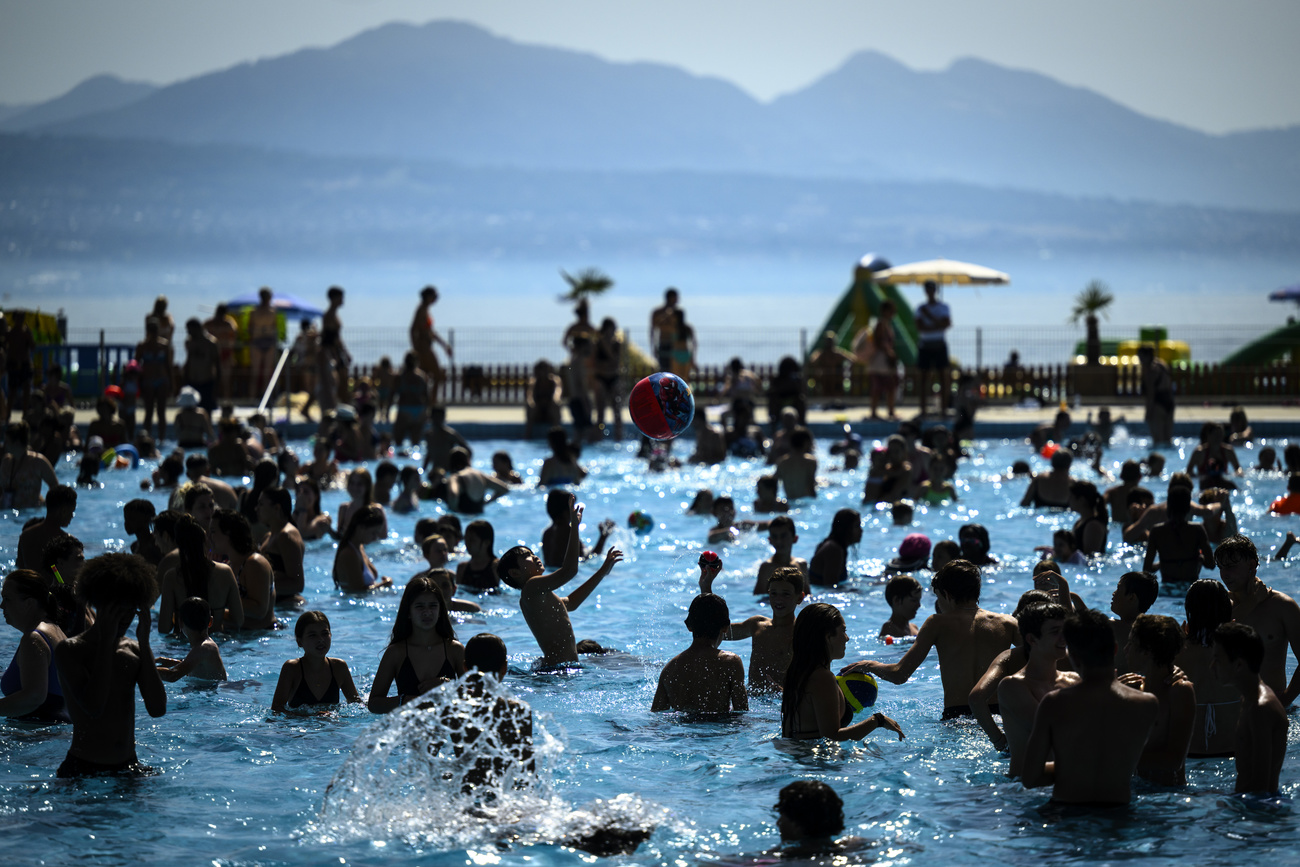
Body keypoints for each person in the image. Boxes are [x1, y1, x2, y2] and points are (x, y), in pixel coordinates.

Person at [843, 560, 1017, 718]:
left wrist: (870, 665)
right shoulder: (1007, 623)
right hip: (1001, 716)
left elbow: (899, 674)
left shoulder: (937, 623)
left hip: (957, 716)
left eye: (938, 597)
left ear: (947, 595)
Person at [1021, 608, 1159, 805]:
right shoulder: (1147, 704)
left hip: (1068, 812)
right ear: (1115, 650)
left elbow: (1030, 778)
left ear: (1074, 658)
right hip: (1119, 815)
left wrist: (1073, 767)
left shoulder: (1054, 703)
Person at [53, 553, 167, 777]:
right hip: (84, 768)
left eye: (130, 610)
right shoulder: (71, 650)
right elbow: (93, 707)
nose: (124, 618)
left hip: (129, 765)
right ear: (99, 604)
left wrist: (145, 644)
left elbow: (157, 709)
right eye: (118, 609)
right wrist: (106, 643)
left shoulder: (133, 650)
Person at [497, 495, 622, 667]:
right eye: (527, 556)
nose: (534, 557)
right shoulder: (531, 588)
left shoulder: (538, 594)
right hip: (556, 671)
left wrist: (601, 572)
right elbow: (569, 571)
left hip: (560, 669)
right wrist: (574, 527)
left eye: (533, 553)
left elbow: (571, 603)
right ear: (514, 572)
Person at [781, 602, 905, 741]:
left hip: (799, 756)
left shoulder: (797, 672)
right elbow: (832, 737)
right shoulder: (822, 678)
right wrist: (878, 720)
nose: (847, 638)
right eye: (843, 631)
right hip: (814, 759)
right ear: (828, 637)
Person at [1214, 534, 1300, 707]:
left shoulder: (1283, 607)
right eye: (1221, 567)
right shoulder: (1220, 606)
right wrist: (1251, 603)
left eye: (1230, 566)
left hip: (1269, 706)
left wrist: (1284, 701)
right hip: (1228, 709)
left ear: (1252, 565)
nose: (1225, 574)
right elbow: (1207, 647)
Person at [996, 602, 1078, 777]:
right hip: (1025, 788)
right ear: (1032, 639)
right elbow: (1052, 733)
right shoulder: (1012, 686)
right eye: (1055, 632)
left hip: (1068, 779)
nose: (1064, 638)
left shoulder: (1074, 680)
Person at [367, 576, 465, 712]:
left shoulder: (454, 650)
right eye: (420, 606)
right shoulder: (396, 653)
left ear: (440, 611)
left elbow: (478, 696)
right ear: (408, 612)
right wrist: (405, 701)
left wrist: (446, 684)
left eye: (433, 606)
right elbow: (373, 704)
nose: (427, 612)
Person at [1120, 614, 1195, 786]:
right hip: (1137, 789)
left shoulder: (1179, 691)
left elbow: (1174, 760)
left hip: (1168, 797)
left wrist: (1116, 756)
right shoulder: (1132, 687)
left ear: (1147, 652)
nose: (1125, 649)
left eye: (1131, 643)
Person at [1213, 622, 1287, 794]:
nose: (1212, 666)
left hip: (1258, 813)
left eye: (1217, 660)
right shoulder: (1249, 699)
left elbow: (1260, 788)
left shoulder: (1260, 709)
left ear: (1238, 665)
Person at [706, 561, 804, 692]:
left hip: (780, 704)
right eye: (774, 593)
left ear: (799, 598)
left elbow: (813, 678)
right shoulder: (757, 625)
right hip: (753, 700)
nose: (778, 599)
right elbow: (715, 631)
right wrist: (706, 586)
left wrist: (782, 692)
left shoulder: (801, 633)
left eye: (786, 594)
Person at [651, 593, 748, 713]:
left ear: (689, 626)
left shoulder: (670, 669)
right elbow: (742, 713)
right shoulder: (730, 663)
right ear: (726, 627)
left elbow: (656, 716)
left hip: (682, 731)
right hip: (718, 729)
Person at [1176, 579, 1239, 757]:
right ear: (1227, 610)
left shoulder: (1176, 651)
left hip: (1189, 752)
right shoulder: (1241, 649)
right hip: (1232, 749)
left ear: (1190, 611)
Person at [0, 569, 69, 722]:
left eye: (7, 599)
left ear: (29, 603)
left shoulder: (34, 639)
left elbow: (33, 697)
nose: (1, 606)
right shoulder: (57, 632)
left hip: (37, 734)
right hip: (57, 732)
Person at [158, 515, 243, 634]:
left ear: (179, 545)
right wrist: (218, 613)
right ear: (205, 540)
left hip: (182, 646)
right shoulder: (225, 572)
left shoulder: (172, 577)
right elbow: (238, 620)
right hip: (217, 642)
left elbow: (164, 628)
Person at [271, 611, 362, 711]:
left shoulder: (339, 667)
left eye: (325, 633)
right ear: (299, 641)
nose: (321, 640)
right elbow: (277, 711)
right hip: (299, 726)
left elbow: (358, 707)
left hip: (331, 726)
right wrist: (312, 717)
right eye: (312, 635)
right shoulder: (292, 669)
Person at [210, 509, 276, 630]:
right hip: (243, 637)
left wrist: (217, 603)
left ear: (228, 534)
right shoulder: (230, 565)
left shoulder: (254, 563)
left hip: (263, 637)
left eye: (213, 531)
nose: (210, 537)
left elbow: (259, 610)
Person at [1142, 486, 1214, 590]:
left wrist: (1161, 564)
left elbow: (1147, 569)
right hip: (1191, 589)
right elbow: (1211, 564)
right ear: (1188, 508)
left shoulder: (1157, 531)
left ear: (1168, 506)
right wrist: (1200, 558)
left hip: (1168, 588)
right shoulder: (1197, 530)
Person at [770, 781, 864, 857]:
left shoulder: (779, 859)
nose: (778, 823)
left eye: (782, 817)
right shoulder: (857, 845)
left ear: (796, 825)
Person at [154, 597, 228, 682]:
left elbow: (172, 675)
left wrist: (144, 668)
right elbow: (197, 667)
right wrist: (172, 663)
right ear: (210, 621)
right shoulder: (206, 647)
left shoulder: (204, 648)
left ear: (180, 623)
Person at [258, 486, 307, 603]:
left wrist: (258, 586)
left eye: (261, 504)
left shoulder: (286, 536)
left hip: (287, 607)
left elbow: (298, 584)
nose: (256, 508)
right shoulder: (268, 536)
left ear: (276, 508)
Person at [333, 504, 394, 593]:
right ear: (360, 528)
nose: (375, 538)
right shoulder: (349, 554)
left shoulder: (359, 547)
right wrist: (384, 585)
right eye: (373, 533)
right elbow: (359, 592)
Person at [15, 483, 75, 572]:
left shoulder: (25, 536)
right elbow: (65, 575)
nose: (72, 516)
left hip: (28, 584)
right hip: (54, 584)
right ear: (63, 511)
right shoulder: (66, 540)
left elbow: (20, 568)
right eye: (71, 511)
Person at [1109, 570, 1159, 674]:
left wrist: (1073, 597)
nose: (1114, 593)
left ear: (1131, 597)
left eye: (1118, 588)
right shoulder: (1153, 631)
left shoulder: (1113, 627)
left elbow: (1086, 623)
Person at [1, 421, 59, 510]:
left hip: (30, 512)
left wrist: (46, 503)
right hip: (7, 512)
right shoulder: (6, 462)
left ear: (16, 443)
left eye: (7, 441)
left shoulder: (38, 462)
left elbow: (55, 485)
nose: (4, 445)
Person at [914, 280, 952, 416]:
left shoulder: (943, 307)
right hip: (925, 345)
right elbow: (919, 327)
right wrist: (937, 324)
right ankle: (923, 409)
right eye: (928, 289)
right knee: (924, 379)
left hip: (939, 344)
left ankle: (943, 409)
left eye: (932, 289)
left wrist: (930, 320)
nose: (930, 291)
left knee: (943, 377)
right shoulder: (920, 308)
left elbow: (947, 323)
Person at [410, 285, 451, 397]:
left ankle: (425, 401)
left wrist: (444, 345)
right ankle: (431, 402)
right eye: (434, 296)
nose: (435, 299)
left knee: (425, 377)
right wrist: (416, 347)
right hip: (424, 348)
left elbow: (429, 331)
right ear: (428, 297)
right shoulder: (421, 311)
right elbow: (415, 330)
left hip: (424, 347)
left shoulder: (424, 310)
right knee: (437, 376)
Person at [444, 447, 510, 514]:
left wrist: (454, 510)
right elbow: (504, 489)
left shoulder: (455, 477)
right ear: (468, 460)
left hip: (463, 516)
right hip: (479, 517)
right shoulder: (480, 475)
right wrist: (486, 502)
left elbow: (453, 494)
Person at [754, 516, 808, 595]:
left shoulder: (802, 564)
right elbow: (758, 599)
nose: (779, 541)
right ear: (770, 540)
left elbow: (808, 596)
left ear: (795, 538)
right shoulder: (766, 568)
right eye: (774, 537)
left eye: (783, 536)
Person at [808, 508, 861, 587]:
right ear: (846, 529)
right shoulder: (834, 550)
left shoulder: (833, 546)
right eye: (857, 526)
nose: (861, 530)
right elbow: (830, 588)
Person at [318, 286, 350, 412]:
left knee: (340, 380)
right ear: (335, 298)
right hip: (331, 352)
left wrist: (345, 352)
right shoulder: (329, 315)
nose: (343, 300)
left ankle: (342, 404)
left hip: (335, 351)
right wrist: (337, 354)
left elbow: (337, 337)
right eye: (341, 297)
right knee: (334, 381)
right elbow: (330, 338)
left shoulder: (333, 315)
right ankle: (341, 405)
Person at [592, 317, 624, 440]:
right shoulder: (598, 344)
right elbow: (596, 363)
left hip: (613, 377)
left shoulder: (617, 344)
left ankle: (619, 437)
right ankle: (598, 436)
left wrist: (607, 346)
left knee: (617, 411)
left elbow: (615, 362)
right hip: (601, 378)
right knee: (600, 412)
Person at [867, 300, 900, 420]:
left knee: (883, 387)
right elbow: (879, 341)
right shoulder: (881, 324)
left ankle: (883, 411)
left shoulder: (884, 324)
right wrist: (889, 352)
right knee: (884, 386)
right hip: (881, 360)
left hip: (881, 360)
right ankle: (882, 411)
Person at [391, 351, 430, 449]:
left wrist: (386, 411)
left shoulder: (400, 377)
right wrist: (427, 413)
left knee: (398, 443)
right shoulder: (421, 377)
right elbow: (427, 397)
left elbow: (392, 395)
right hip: (419, 410)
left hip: (404, 410)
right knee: (416, 445)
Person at [1186, 421, 1240, 491]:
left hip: (1222, 482)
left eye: (1220, 435)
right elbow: (1188, 472)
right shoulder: (1199, 452)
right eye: (1215, 435)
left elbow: (1238, 469)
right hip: (1205, 485)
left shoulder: (1228, 451)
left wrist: (1236, 474)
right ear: (1208, 435)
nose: (1218, 438)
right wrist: (1200, 477)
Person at [182, 317, 220, 413]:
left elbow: (217, 364)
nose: (189, 333)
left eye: (190, 330)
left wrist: (217, 386)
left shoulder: (211, 343)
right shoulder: (190, 342)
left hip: (206, 382)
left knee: (206, 411)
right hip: (193, 382)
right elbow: (188, 361)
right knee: (190, 412)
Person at [1139, 345, 1175, 446]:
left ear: (1147, 357)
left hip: (1158, 403)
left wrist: (1148, 412)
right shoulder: (1161, 364)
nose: (1140, 360)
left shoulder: (1150, 370)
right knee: (1167, 439)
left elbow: (1151, 394)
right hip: (1169, 401)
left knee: (1157, 440)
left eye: (1141, 357)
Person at [4, 310, 36, 423]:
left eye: (22, 318)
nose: (20, 321)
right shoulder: (10, 333)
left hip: (24, 364)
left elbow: (32, 346)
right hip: (13, 364)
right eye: (18, 318)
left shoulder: (26, 332)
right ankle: (8, 415)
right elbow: (4, 346)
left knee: (26, 389)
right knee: (12, 391)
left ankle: (24, 414)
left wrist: (29, 335)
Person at [203, 304, 239, 404]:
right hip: (212, 354)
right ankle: (213, 400)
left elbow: (235, 334)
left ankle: (226, 401)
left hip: (225, 352)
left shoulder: (228, 323)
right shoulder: (210, 323)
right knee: (212, 378)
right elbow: (202, 331)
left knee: (225, 380)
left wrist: (231, 347)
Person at [773, 427, 817, 501]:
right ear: (806, 443)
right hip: (806, 501)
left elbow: (774, 482)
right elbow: (811, 484)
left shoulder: (782, 462)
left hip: (789, 500)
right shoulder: (810, 461)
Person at [456, 520, 500, 592]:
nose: (467, 544)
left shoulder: (496, 567)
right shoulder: (462, 568)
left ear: (486, 543)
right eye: (466, 539)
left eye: (472, 540)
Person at [524, 360, 563, 439]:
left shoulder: (555, 380)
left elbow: (557, 393)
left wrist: (553, 401)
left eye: (545, 369)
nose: (543, 372)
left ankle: (556, 434)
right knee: (530, 407)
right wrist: (533, 404)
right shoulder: (534, 381)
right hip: (538, 412)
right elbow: (530, 396)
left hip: (549, 411)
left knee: (555, 406)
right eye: (541, 369)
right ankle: (528, 435)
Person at [1068, 480, 1108, 556]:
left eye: (1071, 497)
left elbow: (1089, 558)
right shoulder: (1079, 522)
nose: (1068, 501)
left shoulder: (1093, 526)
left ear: (1081, 500)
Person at [1103, 459, 1150, 524]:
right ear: (1140, 477)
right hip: (1136, 528)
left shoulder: (1112, 492)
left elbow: (1099, 504)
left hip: (1116, 527)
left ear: (1121, 476)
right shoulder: (1145, 494)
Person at [880, 575, 923, 639]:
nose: (919, 605)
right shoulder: (889, 629)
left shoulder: (914, 628)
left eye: (919, 600)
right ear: (896, 600)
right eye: (914, 600)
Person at [649, 288, 680, 372]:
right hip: (663, 344)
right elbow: (652, 330)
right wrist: (653, 346)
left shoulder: (678, 313)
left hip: (676, 345)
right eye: (676, 298)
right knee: (664, 370)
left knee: (676, 372)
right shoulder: (658, 312)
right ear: (670, 298)